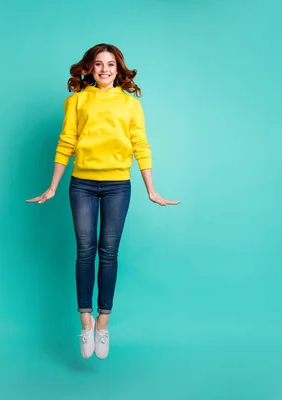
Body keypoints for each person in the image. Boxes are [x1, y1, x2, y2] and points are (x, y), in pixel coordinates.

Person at [26, 43, 179, 359]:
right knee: (85, 250)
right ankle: (85, 322)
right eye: (99, 64)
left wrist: (152, 189)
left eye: (111, 64)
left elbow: (141, 145)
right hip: (81, 184)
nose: (105, 69)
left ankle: (103, 324)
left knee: (108, 252)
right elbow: (66, 142)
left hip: (117, 185)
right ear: (89, 69)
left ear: (119, 69)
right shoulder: (77, 101)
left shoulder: (130, 105)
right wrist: (53, 186)